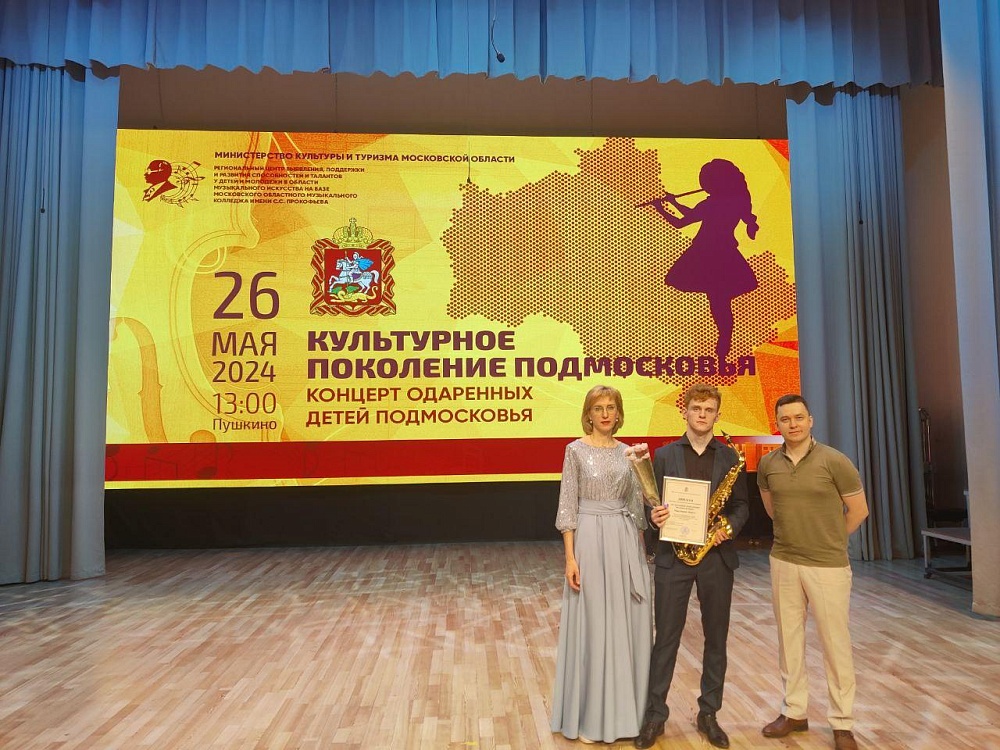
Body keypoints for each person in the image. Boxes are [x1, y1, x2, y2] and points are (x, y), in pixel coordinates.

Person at [634, 383, 748, 750]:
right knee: (666, 637)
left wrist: (728, 527)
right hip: (674, 557)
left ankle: (708, 713)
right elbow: (651, 504)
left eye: (709, 409)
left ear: (717, 414)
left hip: (716, 557)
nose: (702, 414)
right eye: (696, 408)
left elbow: (741, 506)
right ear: (684, 411)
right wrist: (654, 517)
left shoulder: (730, 457)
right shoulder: (665, 455)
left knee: (716, 638)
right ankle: (655, 715)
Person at [757, 394, 869, 750]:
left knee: (836, 645)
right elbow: (773, 511)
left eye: (799, 417)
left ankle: (842, 723)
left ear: (810, 420)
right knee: (789, 642)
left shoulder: (835, 461)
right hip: (784, 561)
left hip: (827, 566)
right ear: (777, 424)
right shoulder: (768, 464)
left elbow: (859, 511)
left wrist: (830, 540)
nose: (793, 424)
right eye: (785, 419)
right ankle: (794, 712)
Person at [551, 384, 652, 744]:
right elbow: (567, 507)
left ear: (619, 412)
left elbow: (638, 506)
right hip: (590, 540)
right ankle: (591, 717)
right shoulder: (574, 451)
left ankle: (627, 716)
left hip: (624, 540)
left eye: (611, 407)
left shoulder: (629, 454)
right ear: (589, 414)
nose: (606, 414)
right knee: (593, 624)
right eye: (599, 408)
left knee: (627, 622)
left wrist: (641, 555)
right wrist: (570, 558)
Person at [642, 159, 759, 365]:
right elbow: (693, 214)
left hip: (706, 255)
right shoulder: (735, 203)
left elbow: (681, 222)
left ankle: (723, 347)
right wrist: (673, 203)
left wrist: (660, 208)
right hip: (726, 254)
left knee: (719, 302)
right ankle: (723, 346)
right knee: (721, 302)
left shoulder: (711, 204)